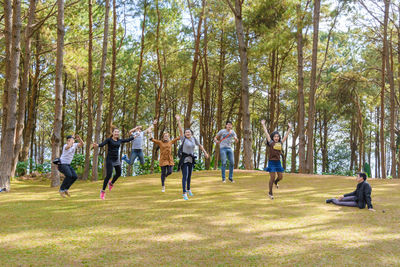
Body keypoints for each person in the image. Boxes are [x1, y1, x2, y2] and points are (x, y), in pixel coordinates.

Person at [93, 127, 136, 200]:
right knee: (109, 175)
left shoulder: (119, 140)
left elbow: (127, 140)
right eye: (115, 132)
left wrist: (134, 137)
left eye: (118, 132)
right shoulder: (109, 140)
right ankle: (103, 191)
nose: (117, 133)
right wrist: (97, 145)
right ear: (112, 133)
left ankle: (111, 183)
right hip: (110, 159)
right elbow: (102, 144)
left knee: (119, 173)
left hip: (116, 159)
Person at [176, 115, 209, 201]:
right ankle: (184, 193)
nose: (187, 133)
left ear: (191, 133)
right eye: (186, 132)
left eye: (189, 132)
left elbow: (200, 145)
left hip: (191, 159)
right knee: (185, 176)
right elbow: (180, 130)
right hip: (184, 159)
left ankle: (189, 189)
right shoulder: (183, 139)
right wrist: (178, 121)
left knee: (189, 175)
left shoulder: (194, 138)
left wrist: (205, 152)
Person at [261, 120, 292, 199]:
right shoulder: (271, 143)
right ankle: (270, 193)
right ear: (273, 137)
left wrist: (289, 128)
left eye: (277, 136)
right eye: (275, 136)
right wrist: (263, 124)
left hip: (278, 162)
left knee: (280, 177)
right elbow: (266, 133)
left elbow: (286, 136)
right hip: (271, 162)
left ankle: (276, 182)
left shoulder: (280, 143)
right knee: (272, 176)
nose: (276, 138)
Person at [149, 126, 180, 192]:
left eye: (167, 136)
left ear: (168, 137)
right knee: (163, 173)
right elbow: (152, 139)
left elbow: (179, 138)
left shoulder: (171, 142)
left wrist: (180, 128)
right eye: (165, 136)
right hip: (163, 159)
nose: (166, 137)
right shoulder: (160, 142)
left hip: (169, 159)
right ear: (163, 137)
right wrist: (150, 132)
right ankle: (163, 186)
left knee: (170, 171)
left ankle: (165, 177)